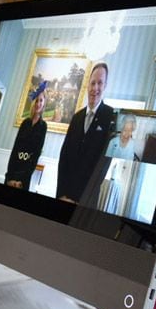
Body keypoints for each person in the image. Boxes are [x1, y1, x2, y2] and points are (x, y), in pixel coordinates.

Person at [56, 62, 115, 204]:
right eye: (93, 83)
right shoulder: (76, 117)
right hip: (65, 196)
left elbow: (103, 164)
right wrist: (61, 194)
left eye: (100, 83)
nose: (95, 88)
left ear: (105, 86)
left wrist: (82, 200)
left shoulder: (111, 116)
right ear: (87, 85)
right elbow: (64, 158)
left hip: (86, 201)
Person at [5, 80, 48, 189]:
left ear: (44, 103)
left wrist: (23, 179)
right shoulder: (25, 123)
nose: (38, 104)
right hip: (14, 168)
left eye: (41, 101)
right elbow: (15, 149)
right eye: (37, 100)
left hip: (25, 175)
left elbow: (36, 154)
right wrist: (9, 176)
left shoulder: (43, 126)